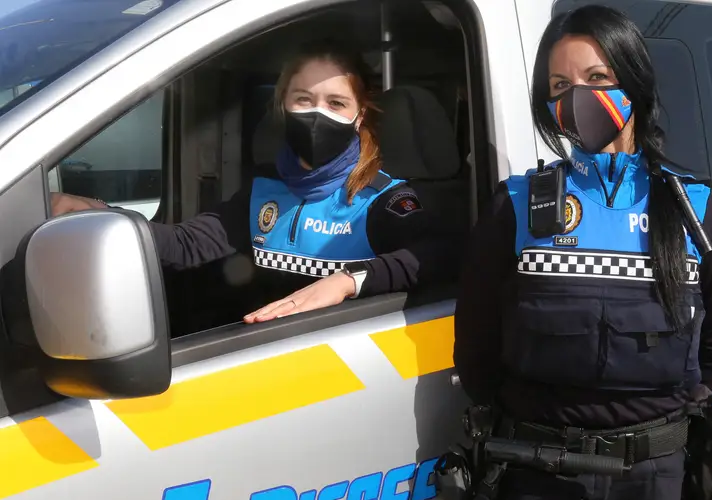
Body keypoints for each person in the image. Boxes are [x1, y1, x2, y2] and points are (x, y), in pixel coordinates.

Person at [450, 5, 712, 500]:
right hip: (538, 475)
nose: (577, 96)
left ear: (634, 82)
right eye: (560, 85)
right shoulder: (514, 207)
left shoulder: (695, 210)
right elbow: (477, 353)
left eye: (597, 79)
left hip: (653, 481)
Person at [50, 41, 455, 324]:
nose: (317, 115)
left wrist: (348, 282)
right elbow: (186, 244)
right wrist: (104, 215)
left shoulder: (381, 198)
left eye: (335, 103)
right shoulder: (264, 192)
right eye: (303, 99)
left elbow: (440, 253)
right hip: (264, 356)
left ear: (359, 117)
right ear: (282, 105)